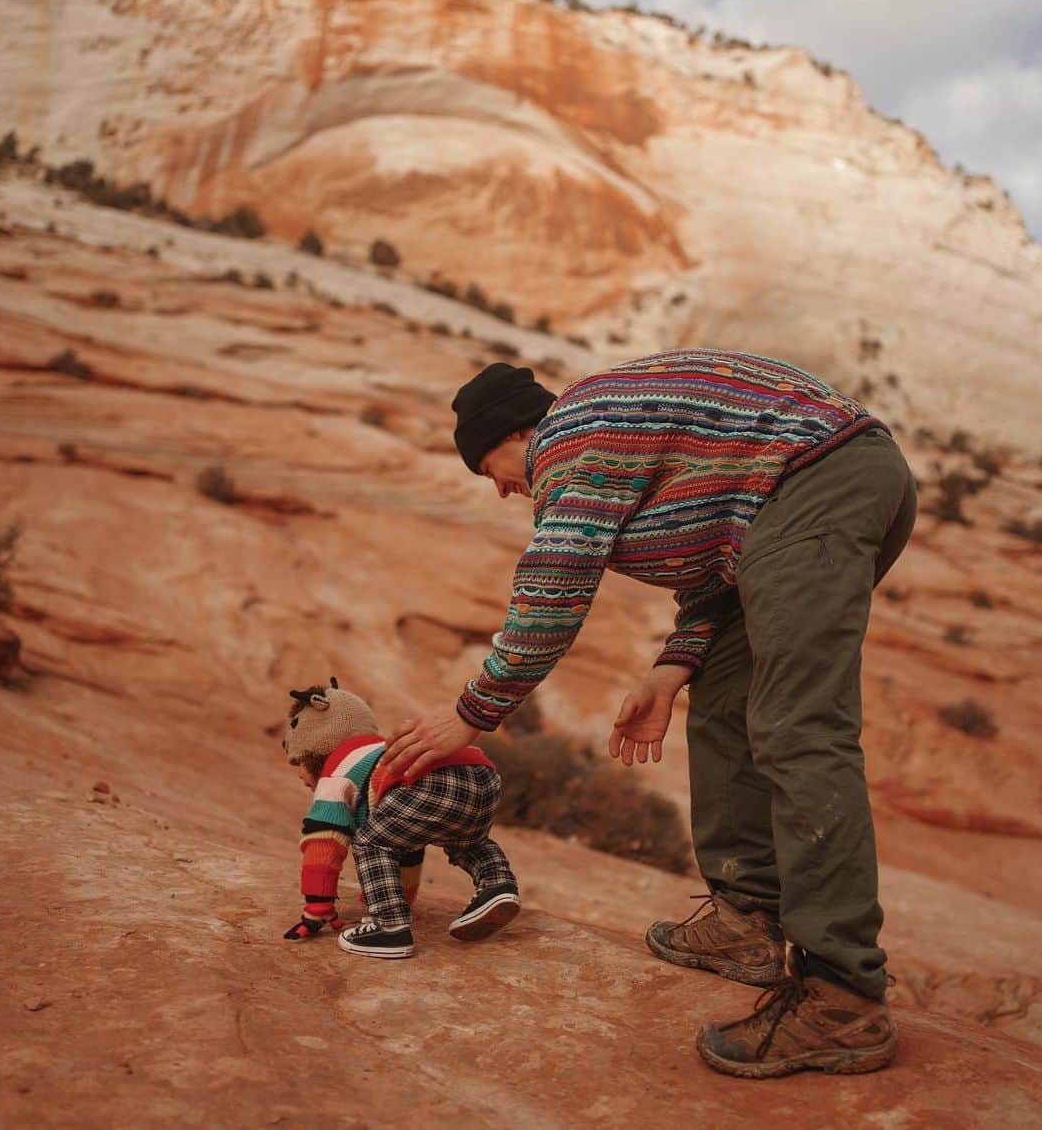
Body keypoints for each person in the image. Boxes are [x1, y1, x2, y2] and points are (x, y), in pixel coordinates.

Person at [382, 348, 915, 1076]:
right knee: (725, 708)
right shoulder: (611, 428)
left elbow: (555, 584)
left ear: (512, 437)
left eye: (488, 473)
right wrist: (670, 670)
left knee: (800, 731)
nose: (502, 492)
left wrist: (473, 713)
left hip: (822, 483)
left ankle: (843, 999)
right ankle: (746, 920)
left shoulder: (570, 435)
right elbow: (723, 562)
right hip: (811, 489)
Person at [282, 677, 520, 959]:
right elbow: (405, 846)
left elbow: (324, 844)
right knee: (468, 841)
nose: (299, 776)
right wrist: (397, 897)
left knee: (370, 842)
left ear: (316, 753)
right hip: (483, 775)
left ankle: (389, 928)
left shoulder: (336, 772)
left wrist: (317, 908)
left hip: (429, 780)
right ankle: (497, 885)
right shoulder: (378, 753)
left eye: (298, 763)